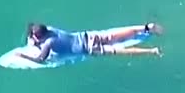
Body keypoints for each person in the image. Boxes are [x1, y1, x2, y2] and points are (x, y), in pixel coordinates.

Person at [19, 21, 165, 64]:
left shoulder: (48, 43)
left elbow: (40, 59)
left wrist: (23, 56)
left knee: (118, 50)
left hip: (89, 48)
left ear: (38, 36)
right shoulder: (51, 29)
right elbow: (33, 26)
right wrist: (36, 40)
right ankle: (146, 27)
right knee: (115, 34)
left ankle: (152, 51)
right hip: (88, 36)